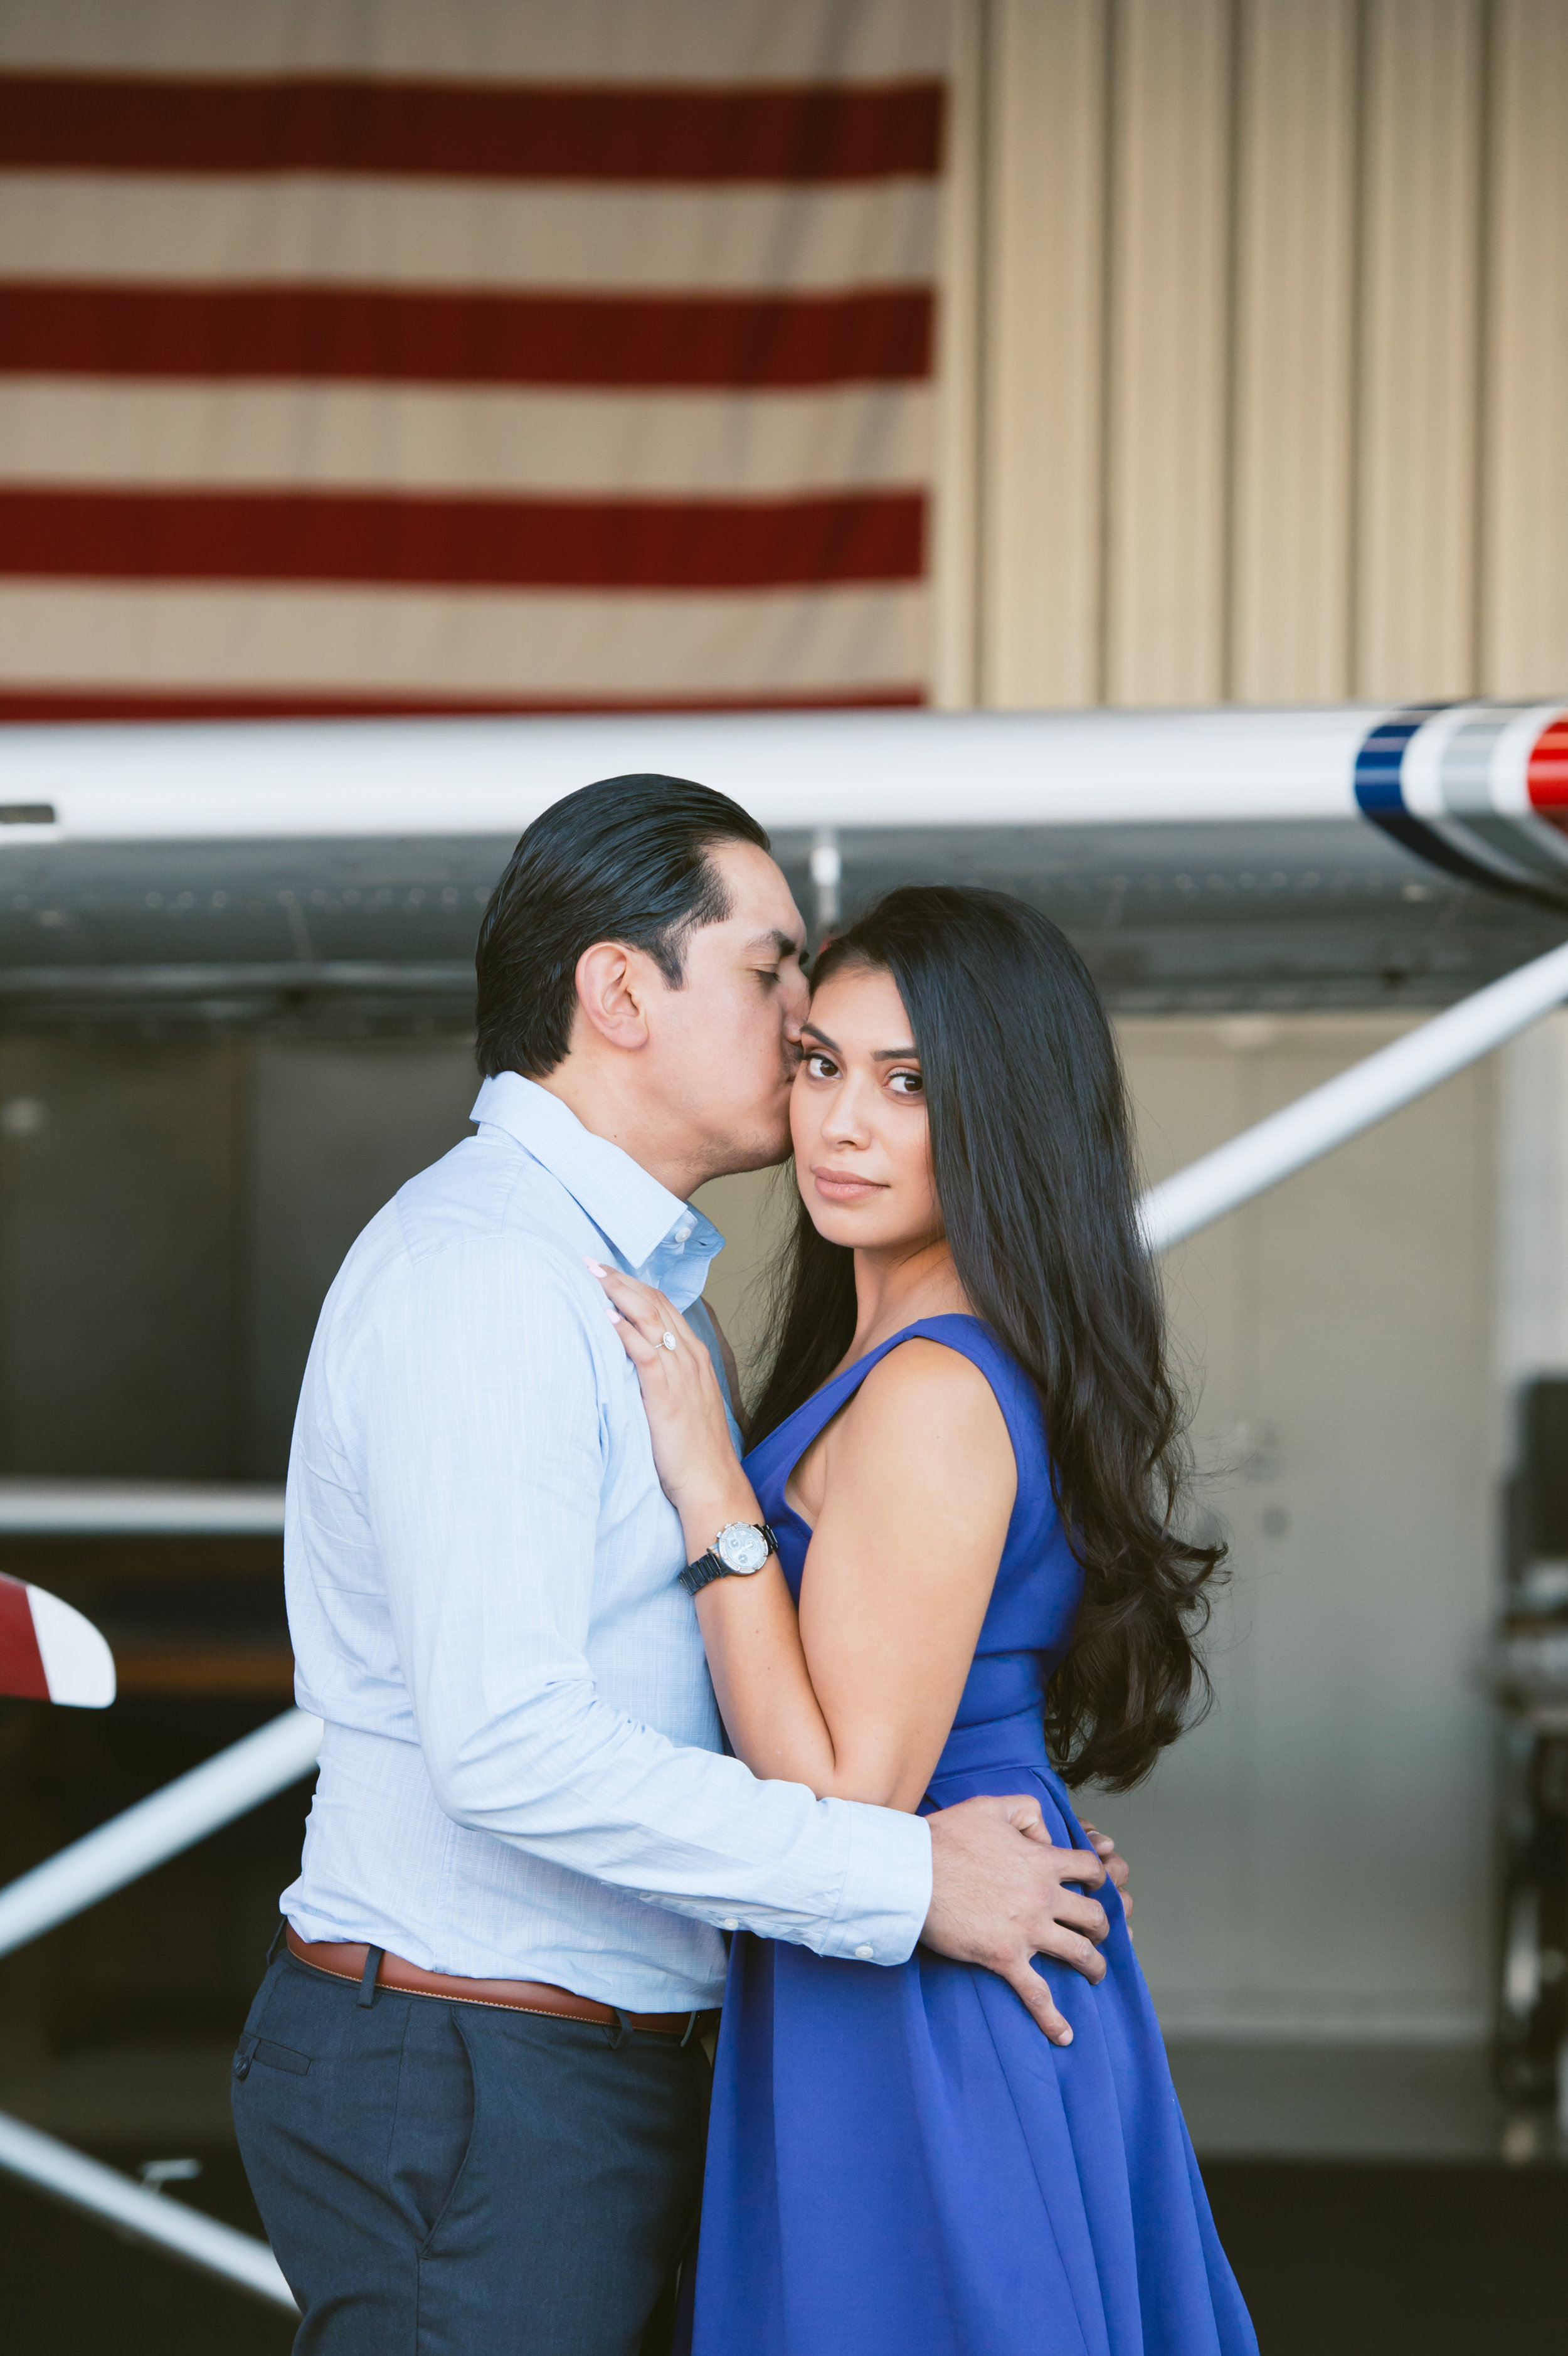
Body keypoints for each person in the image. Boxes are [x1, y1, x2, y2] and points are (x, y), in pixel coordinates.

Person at [231, 778, 1130, 2356]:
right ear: (622, 990)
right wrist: (909, 1878)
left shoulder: (635, 1286)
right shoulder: (495, 1282)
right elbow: (507, 1742)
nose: (803, 1019)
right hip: (481, 2064)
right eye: (775, 973)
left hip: (576, 2057)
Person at [590, 883, 1257, 2356]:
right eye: (821, 1063)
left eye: (909, 1087)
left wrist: (711, 1488)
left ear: (1004, 1118)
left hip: (910, 1980)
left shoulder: (932, 1393)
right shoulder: (900, 1357)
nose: (840, 1124)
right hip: (923, 1932)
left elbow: (841, 1800)